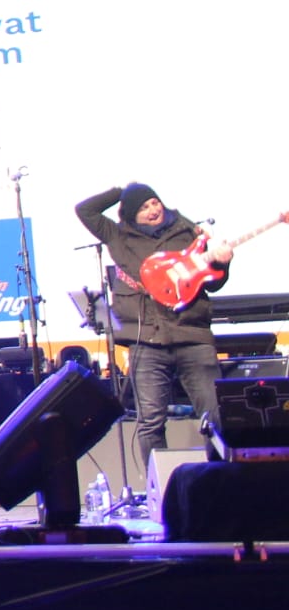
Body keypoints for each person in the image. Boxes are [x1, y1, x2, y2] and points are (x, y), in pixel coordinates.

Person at [76, 183, 231, 468]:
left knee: (216, 416)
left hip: (192, 335)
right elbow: (85, 210)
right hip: (146, 341)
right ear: (130, 213)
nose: (153, 210)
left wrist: (222, 265)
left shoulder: (187, 232)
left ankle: (220, 479)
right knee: (150, 423)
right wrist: (121, 191)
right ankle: (160, 487)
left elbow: (213, 282)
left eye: (154, 202)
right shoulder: (118, 235)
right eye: (144, 207)